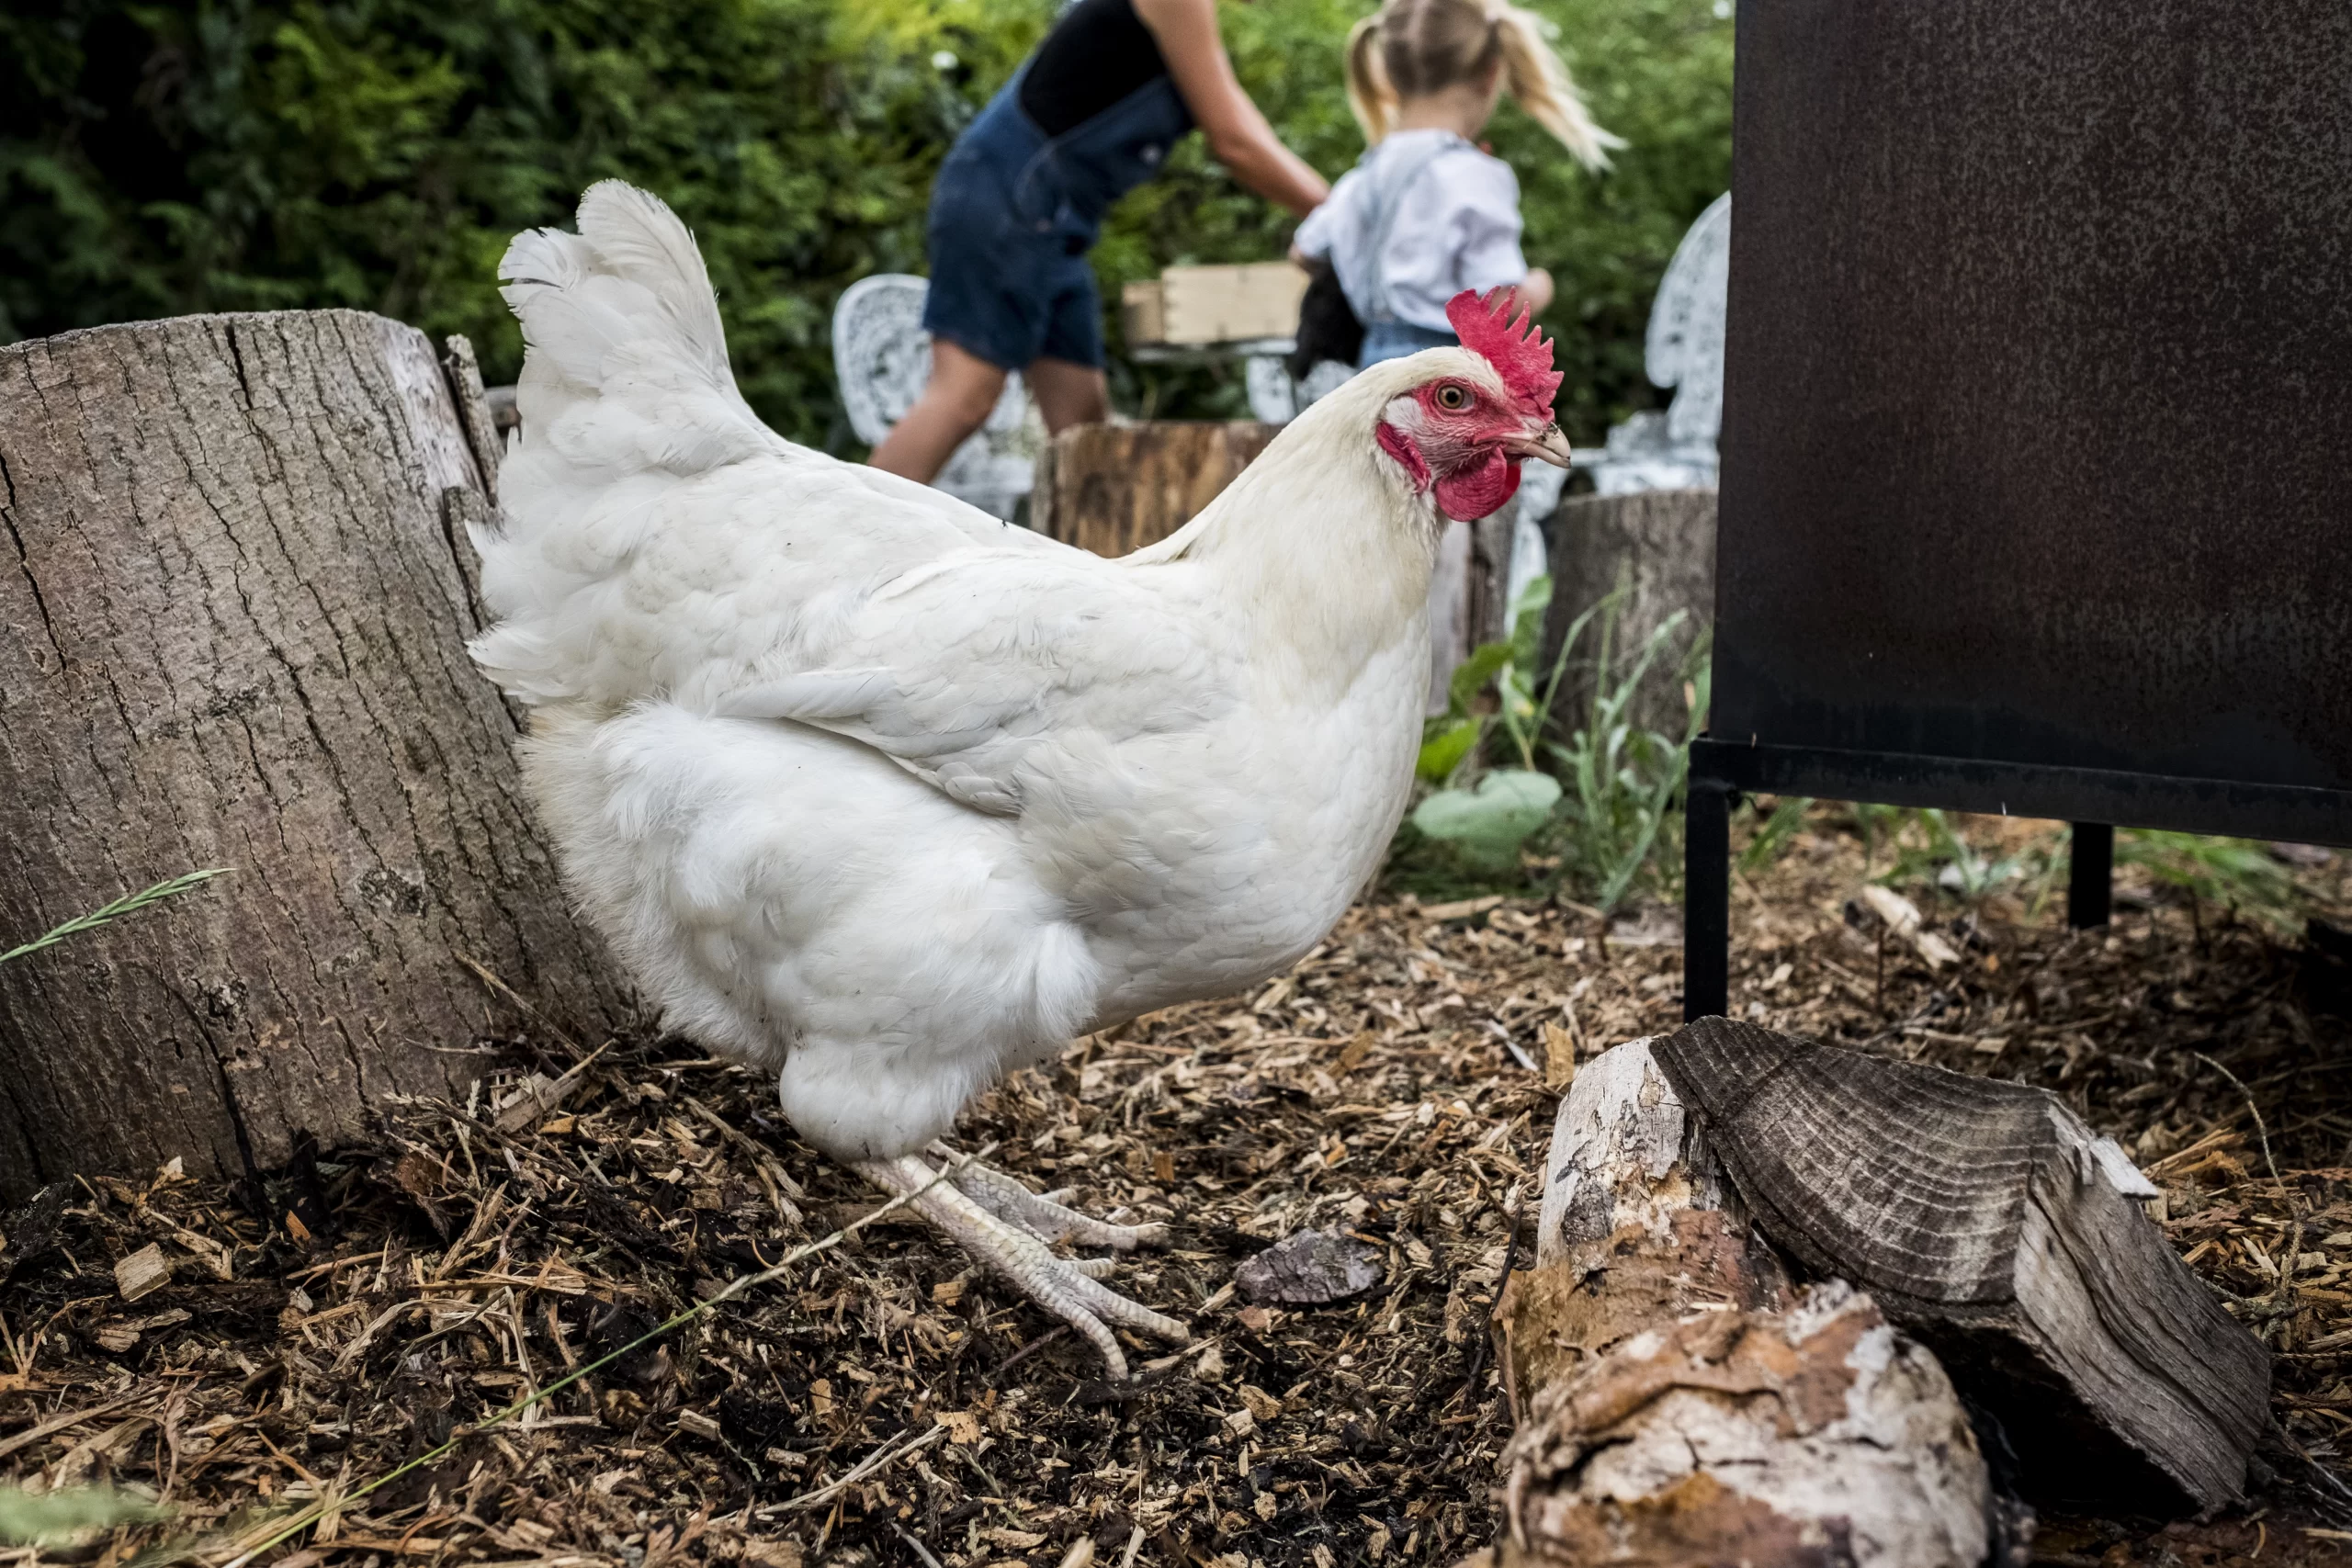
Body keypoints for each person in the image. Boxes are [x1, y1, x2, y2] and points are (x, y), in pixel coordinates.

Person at [869, 0, 1329, 482]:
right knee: (964, 397)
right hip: (1008, 199)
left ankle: (1086, 557)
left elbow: (1239, 121)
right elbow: (1234, 139)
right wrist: (1341, 215)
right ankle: (846, 542)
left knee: (1084, 434)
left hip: (1056, 220)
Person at [1292, 0, 1620, 369]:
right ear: (1491, 73)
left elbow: (1304, 252)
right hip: (1443, 374)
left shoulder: (1367, 171)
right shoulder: (1472, 174)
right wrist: (1540, 287)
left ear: (1387, 72)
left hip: (1368, 371)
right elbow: (1496, 301)